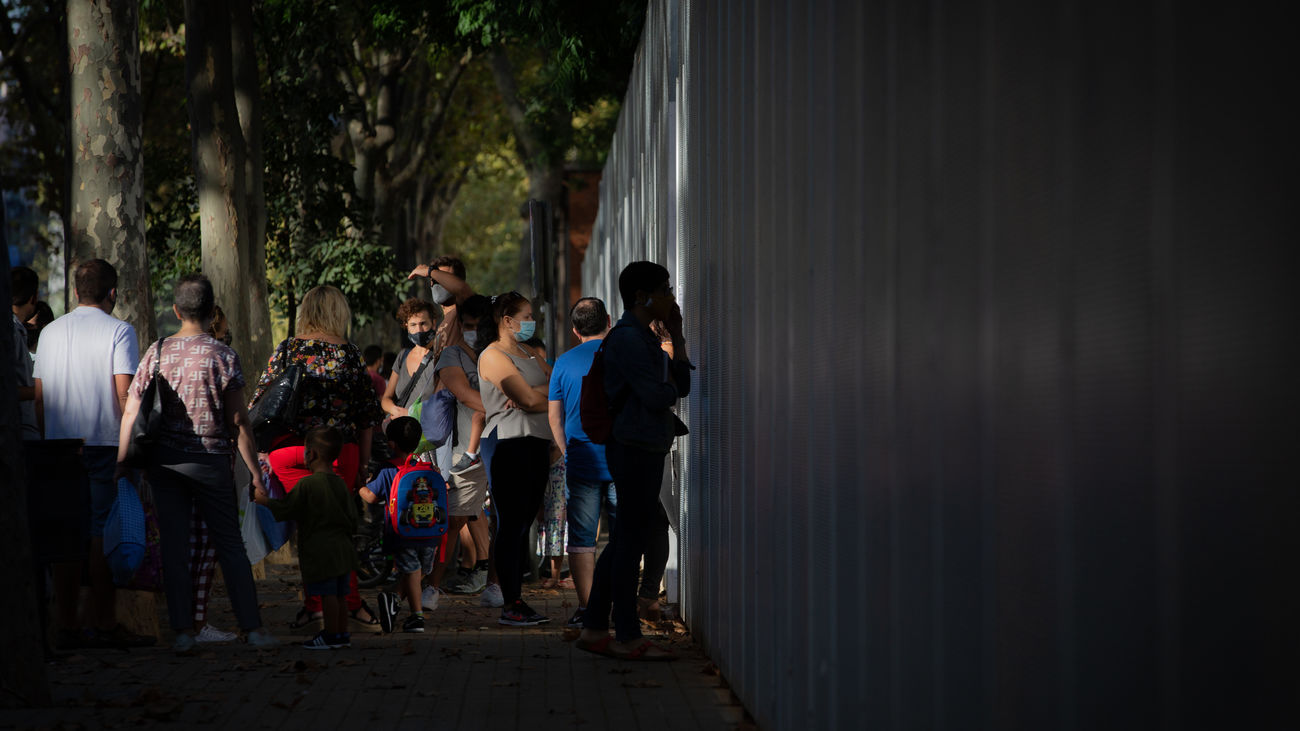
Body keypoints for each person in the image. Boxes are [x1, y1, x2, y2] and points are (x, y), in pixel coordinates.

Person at [114, 273, 277, 652]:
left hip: (165, 464)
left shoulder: (157, 351)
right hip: (211, 464)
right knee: (230, 546)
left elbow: (131, 411)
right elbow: (238, 420)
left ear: (176, 310)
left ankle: (183, 633)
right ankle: (252, 629)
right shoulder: (224, 356)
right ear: (210, 309)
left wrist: (122, 461)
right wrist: (255, 474)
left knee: (174, 547)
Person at [33, 258, 154, 648]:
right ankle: (104, 622)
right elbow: (124, 394)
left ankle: (67, 624)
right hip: (105, 444)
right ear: (113, 293)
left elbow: (40, 397)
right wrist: (129, 451)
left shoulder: (50, 332)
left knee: (66, 533)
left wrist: (48, 439)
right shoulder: (119, 331)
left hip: (59, 446)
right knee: (102, 532)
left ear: (75, 292)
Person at [576, 262, 692, 661]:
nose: (671, 297)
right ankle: (626, 634)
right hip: (634, 447)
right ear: (642, 297)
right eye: (665, 289)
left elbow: (681, 386)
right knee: (630, 541)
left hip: (644, 444)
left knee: (626, 538)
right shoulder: (628, 339)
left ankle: (595, 628)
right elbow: (659, 396)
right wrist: (668, 380)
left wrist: (676, 336)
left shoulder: (644, 336)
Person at [249, 284, 384, 629]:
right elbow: (367, 416)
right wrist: (363, 463)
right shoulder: (349, 354)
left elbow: (260, 401)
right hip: (337, 453)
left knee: (308, 529)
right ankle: (349, 602)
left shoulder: (287, 349)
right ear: (339, 313)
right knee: (337, 529)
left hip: (289, 451)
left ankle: (315, 605)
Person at [477, 291, 554, 625]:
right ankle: (511, 602)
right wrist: (533, 396)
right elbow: (528, 398)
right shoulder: (493, 356)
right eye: (526, 316)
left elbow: (555, 386)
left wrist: (532, 395)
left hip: (536, 442)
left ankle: (516, 600)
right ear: (507, 321)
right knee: (510, 524)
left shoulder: (528, 352)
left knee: (523, 524)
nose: (531, 321)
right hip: (508, 443)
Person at [547, 297, 619, 628]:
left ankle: (588, 609)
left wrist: (567, 450)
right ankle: (619, 605)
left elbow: (554, 416)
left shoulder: (563, 363)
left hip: (581, 460)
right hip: (620, 459)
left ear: (575, 331)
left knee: (581, 539)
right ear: (609, 320)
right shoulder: (620, 355)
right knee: (622, 536)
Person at [255, 427, 357, 650]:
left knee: (328, 594)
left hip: (321, 549)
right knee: (340, 594)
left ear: (311, 454)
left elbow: (286, 508)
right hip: (343, 548)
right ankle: (342, 634)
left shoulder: (307, 484)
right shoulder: (340, 483)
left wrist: (263, 501)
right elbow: (353, 516)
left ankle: (330, 635)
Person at [430, 295, 493, 596]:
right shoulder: (452, 355)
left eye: (479, 326)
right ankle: (431, 586)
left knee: (505, 521)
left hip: (505, 443)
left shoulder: (500, 352)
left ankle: (496, 585)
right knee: (455, 520)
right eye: (468, 326)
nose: (473, 332)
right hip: (467, 452)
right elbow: (464, 394)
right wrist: (512, 405)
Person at [363, 417, 439, 633]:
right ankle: (394, 600)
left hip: (403, 532)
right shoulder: (429, 468)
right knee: (419, 570)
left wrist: (359, 485)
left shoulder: (387, 469)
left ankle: (416, 617)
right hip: (429, 532)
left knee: (411, 570)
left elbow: (371, 496)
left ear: (391, 444)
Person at [380, 299, 441, 423]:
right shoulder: (403, 356)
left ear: (433, 323)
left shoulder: (441, 356)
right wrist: (395, 410)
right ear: (406, 326)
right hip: (402, 430)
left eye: (423, 323)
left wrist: (410, 414)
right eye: (413, 325)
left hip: (428, 430)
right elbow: (386, 398)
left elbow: (443, 402)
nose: (419, 330)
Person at [10, 265, 40, 439]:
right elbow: (7, 389)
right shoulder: (11, 331)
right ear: (33, 297)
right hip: (19, 431)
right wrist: (44, 391)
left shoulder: (16, 330)